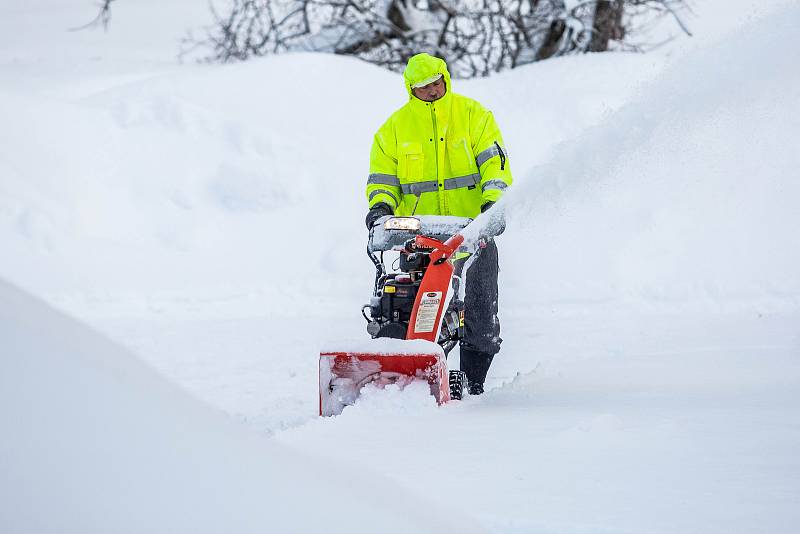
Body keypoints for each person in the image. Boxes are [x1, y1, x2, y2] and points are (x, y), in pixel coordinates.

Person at [364, 52, 513, 395]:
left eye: (436, 84)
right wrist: (381, 208)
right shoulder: (394, 130)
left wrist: (493, 207)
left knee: (478, 312)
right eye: (422, 87)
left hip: (472, 233)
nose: (431, 91)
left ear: (445, 79)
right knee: (407, 310)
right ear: (410, 89)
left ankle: (474, 383)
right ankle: (407, 377)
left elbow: (496, 166)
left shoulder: (473, 116)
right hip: (419, 237)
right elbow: (382, 180)